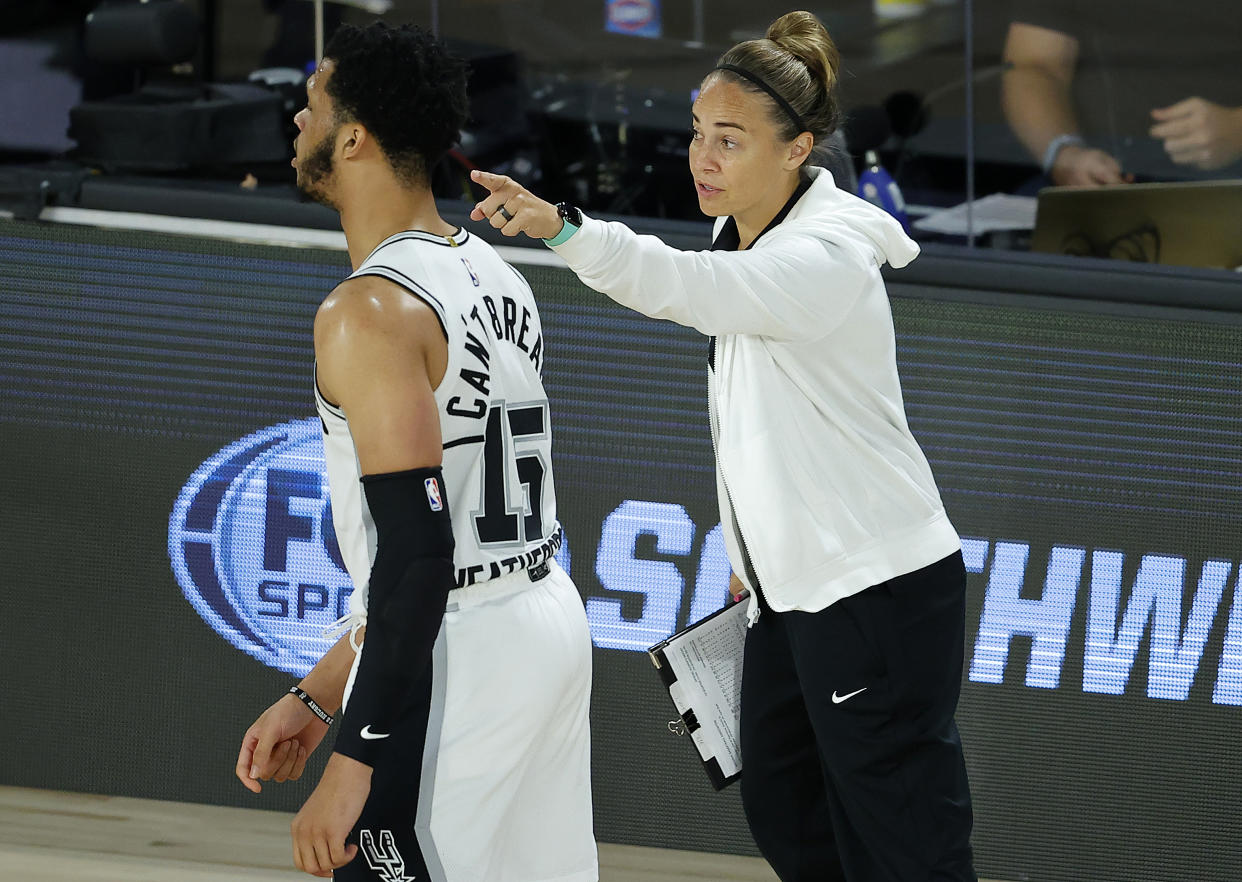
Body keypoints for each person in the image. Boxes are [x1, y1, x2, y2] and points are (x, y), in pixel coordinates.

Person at [468, 9, 975, 882]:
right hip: (788, 590)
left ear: (797, 149)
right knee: (785, 802)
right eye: (701, 132)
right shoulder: (743, 231)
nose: (703, 157)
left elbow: (683, 285)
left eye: (730, 140)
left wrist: (565, 230)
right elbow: (760, 419)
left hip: (873, 591)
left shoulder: (820, 260)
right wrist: (750, 553)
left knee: (901, 846)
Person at [231, 22, 597, 882]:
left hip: (460, 657)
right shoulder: (498, 273)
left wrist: (352, 762)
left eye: (312, 104)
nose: (296, 119)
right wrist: (318, 692)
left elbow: (424, 555)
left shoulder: (365, 312)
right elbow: (459, 536)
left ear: (352, 137)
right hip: (541, 620)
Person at [1002, 0, 1242, 186]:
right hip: (1103, 178)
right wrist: (1063, 154)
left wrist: (1237, 129)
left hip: (1227, 184)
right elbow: (1034, 66)